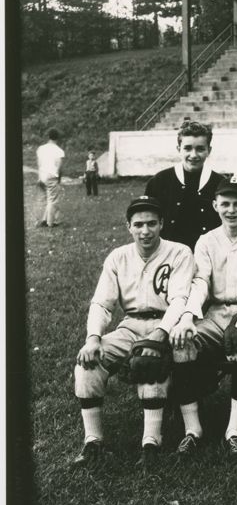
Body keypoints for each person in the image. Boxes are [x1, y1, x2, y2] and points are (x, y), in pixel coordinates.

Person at [72, 195, 194, 466]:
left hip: (167, 324)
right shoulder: (118, 256)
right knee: (88, 363)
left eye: (152, 223)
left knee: (151, 363)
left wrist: (160, 334)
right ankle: (93, 441)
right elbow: (102, 303)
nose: (145, 231)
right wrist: (93, 338)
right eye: (138, 224)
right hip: (130, 325)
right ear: (128, 226)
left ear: (162, 224)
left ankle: (151, 443)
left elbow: (180, 300)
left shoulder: (179, 252)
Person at [169, 176, 237, 458]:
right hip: (215, 312)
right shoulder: (206, 240)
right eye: (225, 204)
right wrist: (188, 316)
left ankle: (234, 431)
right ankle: (193, 430)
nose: (231, 210)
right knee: (182, 344)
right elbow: (200, 281)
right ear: (215, 205)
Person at [145, 120, 226, 251]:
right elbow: (147, 223)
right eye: (187, 148)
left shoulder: (220, 183)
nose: (193, 155)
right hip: (168, 257)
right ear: (178, 149)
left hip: (210, 256)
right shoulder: (159, 182)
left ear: (209, 150)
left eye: (200, 149)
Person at [36, 128, 65, 227]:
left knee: (46, 199)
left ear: (48, 137)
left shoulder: (41, 148)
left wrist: (39, 176)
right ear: (58, 138)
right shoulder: (59, 151)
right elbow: (59, 166)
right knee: (53, 200)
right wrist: (59, 178)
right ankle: (50, 222)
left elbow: (39, 164)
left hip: (42, 176)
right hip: (52, 176)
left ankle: (44, 220)